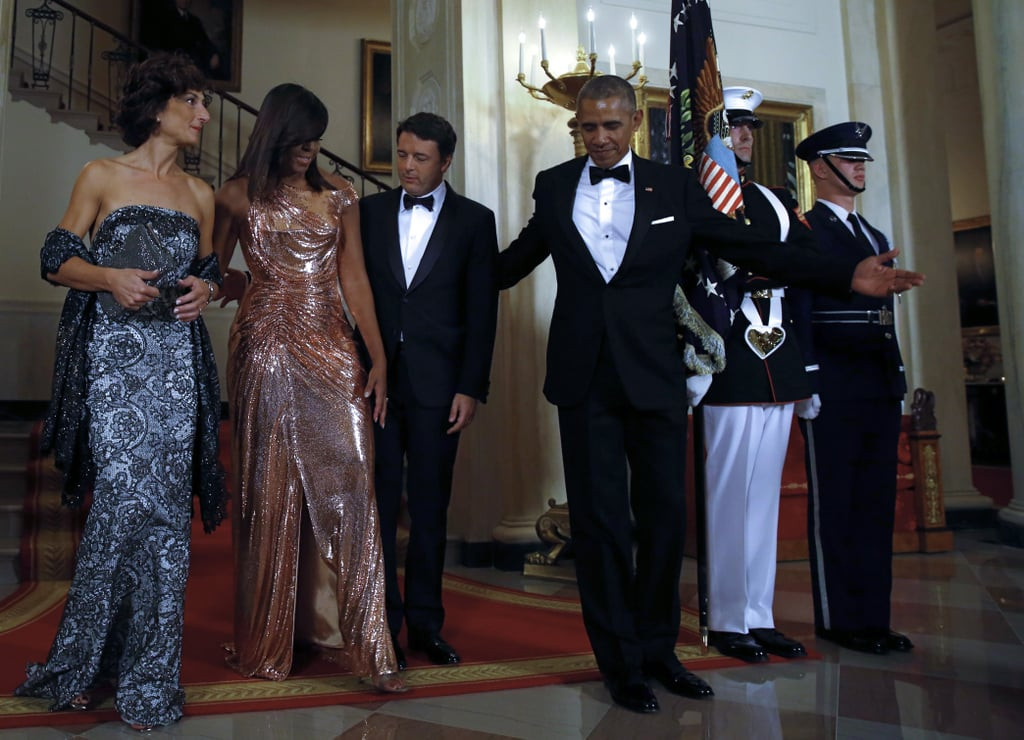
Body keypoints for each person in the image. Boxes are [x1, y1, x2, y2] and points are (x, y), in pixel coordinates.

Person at [497, 75, 922, 714]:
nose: (600, 138)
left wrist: (844, 276)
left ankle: (660, 653)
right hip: (583, 379)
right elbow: (513, 262)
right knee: (602, 524)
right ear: (577, 127)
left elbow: (748, 246)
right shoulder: (555, 186)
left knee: (666, 518)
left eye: (612, 125)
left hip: (655, 376)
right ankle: (619, 663)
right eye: (588, 127)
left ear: (635, 123)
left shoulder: (673, 187)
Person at [14, 53, 226, 731]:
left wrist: (209, 288)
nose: (204, 113)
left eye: (204, 102)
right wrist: (109, 279)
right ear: (159, 106)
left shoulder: (201, 194)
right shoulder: (101, 175)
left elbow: (213, 269)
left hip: (176, 366)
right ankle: (81, 663)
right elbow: (54, 257)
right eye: (193, 100)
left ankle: (149, 675)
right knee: (119, 510)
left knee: (166, 520)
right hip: (113, 363)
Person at [213, 83, 405, 692]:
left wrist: (377, 360)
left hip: (331, 348)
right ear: (275, 134)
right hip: (265, 350)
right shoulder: (236, 196)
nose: (309, 150)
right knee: (268, 492)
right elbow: (214, 275)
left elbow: (358, 283)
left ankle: (374, 654)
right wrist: (258, 288)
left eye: (317, 141)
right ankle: (268, 644)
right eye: (300, 140)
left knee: (353, 486)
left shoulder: (340, 197)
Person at [360, 112, 499, 668]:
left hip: (442, 387)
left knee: (430, 508)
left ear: (445, 161)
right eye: (401, 155)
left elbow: (482, 312)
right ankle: (381, 625)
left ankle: (425, 624)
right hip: (377, 384)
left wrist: (472, 387)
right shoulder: (366, 213)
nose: (407, 167)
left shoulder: (474, 221)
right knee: (378, 503)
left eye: (420, 158)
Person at [790, 122, 914, 655]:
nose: (860, 166)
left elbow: (882, 314)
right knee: (836, 505)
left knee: (874, 503)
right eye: (848, 158)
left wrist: (899, 375)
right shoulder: (805, 230)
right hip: (834, 382)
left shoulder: (874, 236)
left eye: (863, 159)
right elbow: (799, 307)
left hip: (877, 381)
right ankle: (841, 619)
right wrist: (809, 378)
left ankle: (874, 617)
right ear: (820, 168)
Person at [696, 87, 809, 663]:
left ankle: (758, 615)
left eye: (748, 128)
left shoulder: (772, 198)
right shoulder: (701, 196)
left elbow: (800, 280)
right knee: (727, 496)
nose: (742, 136)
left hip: (776, 361)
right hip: (730, 364)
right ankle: (726, 616)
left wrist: (804, 372)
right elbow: (692, 285)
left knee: (762, 498)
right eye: (732, 126)